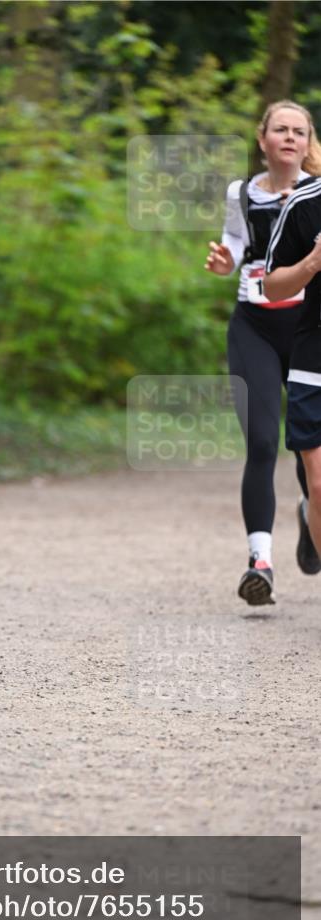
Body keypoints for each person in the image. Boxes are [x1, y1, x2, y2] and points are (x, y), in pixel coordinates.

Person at [205, 101, 321, 605]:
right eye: (281, 129)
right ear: (262, 139)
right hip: (254, 325)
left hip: (309, 328)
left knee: (309, 451)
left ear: (309, 142)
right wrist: (225, 261)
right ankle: (260, 562)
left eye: (299, 131)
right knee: (261, 440)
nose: (290, 137)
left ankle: (311, 512)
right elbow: (236, 245)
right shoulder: (241, 192)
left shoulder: (315, 196)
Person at [264, 177, 321, 562]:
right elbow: (272, 287)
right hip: (314, 364)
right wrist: (313, 262)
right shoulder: (305, 203)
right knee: (319, 487)